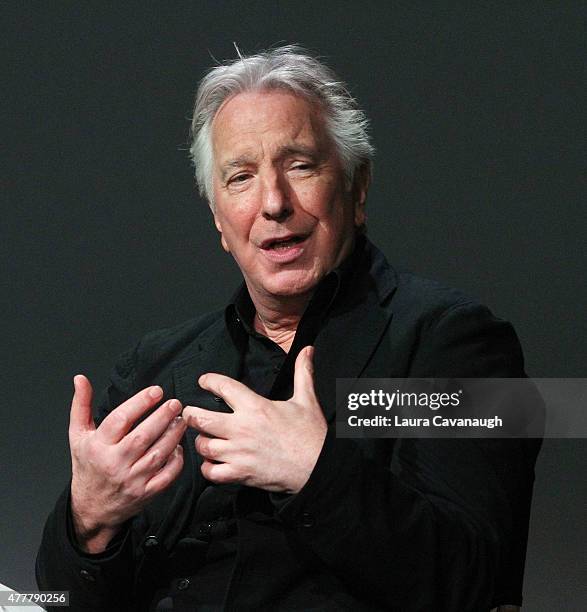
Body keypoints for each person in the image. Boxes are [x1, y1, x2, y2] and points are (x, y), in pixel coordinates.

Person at [36, 46, 541, 611]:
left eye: (300, 164)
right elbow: (57, 599)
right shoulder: (151, 369)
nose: (273, 202)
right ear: (219, 222)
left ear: (357, 189)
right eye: (240, 177)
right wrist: (88, 519)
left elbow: (476, 580)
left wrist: (314, 469)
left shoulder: (459, 342)